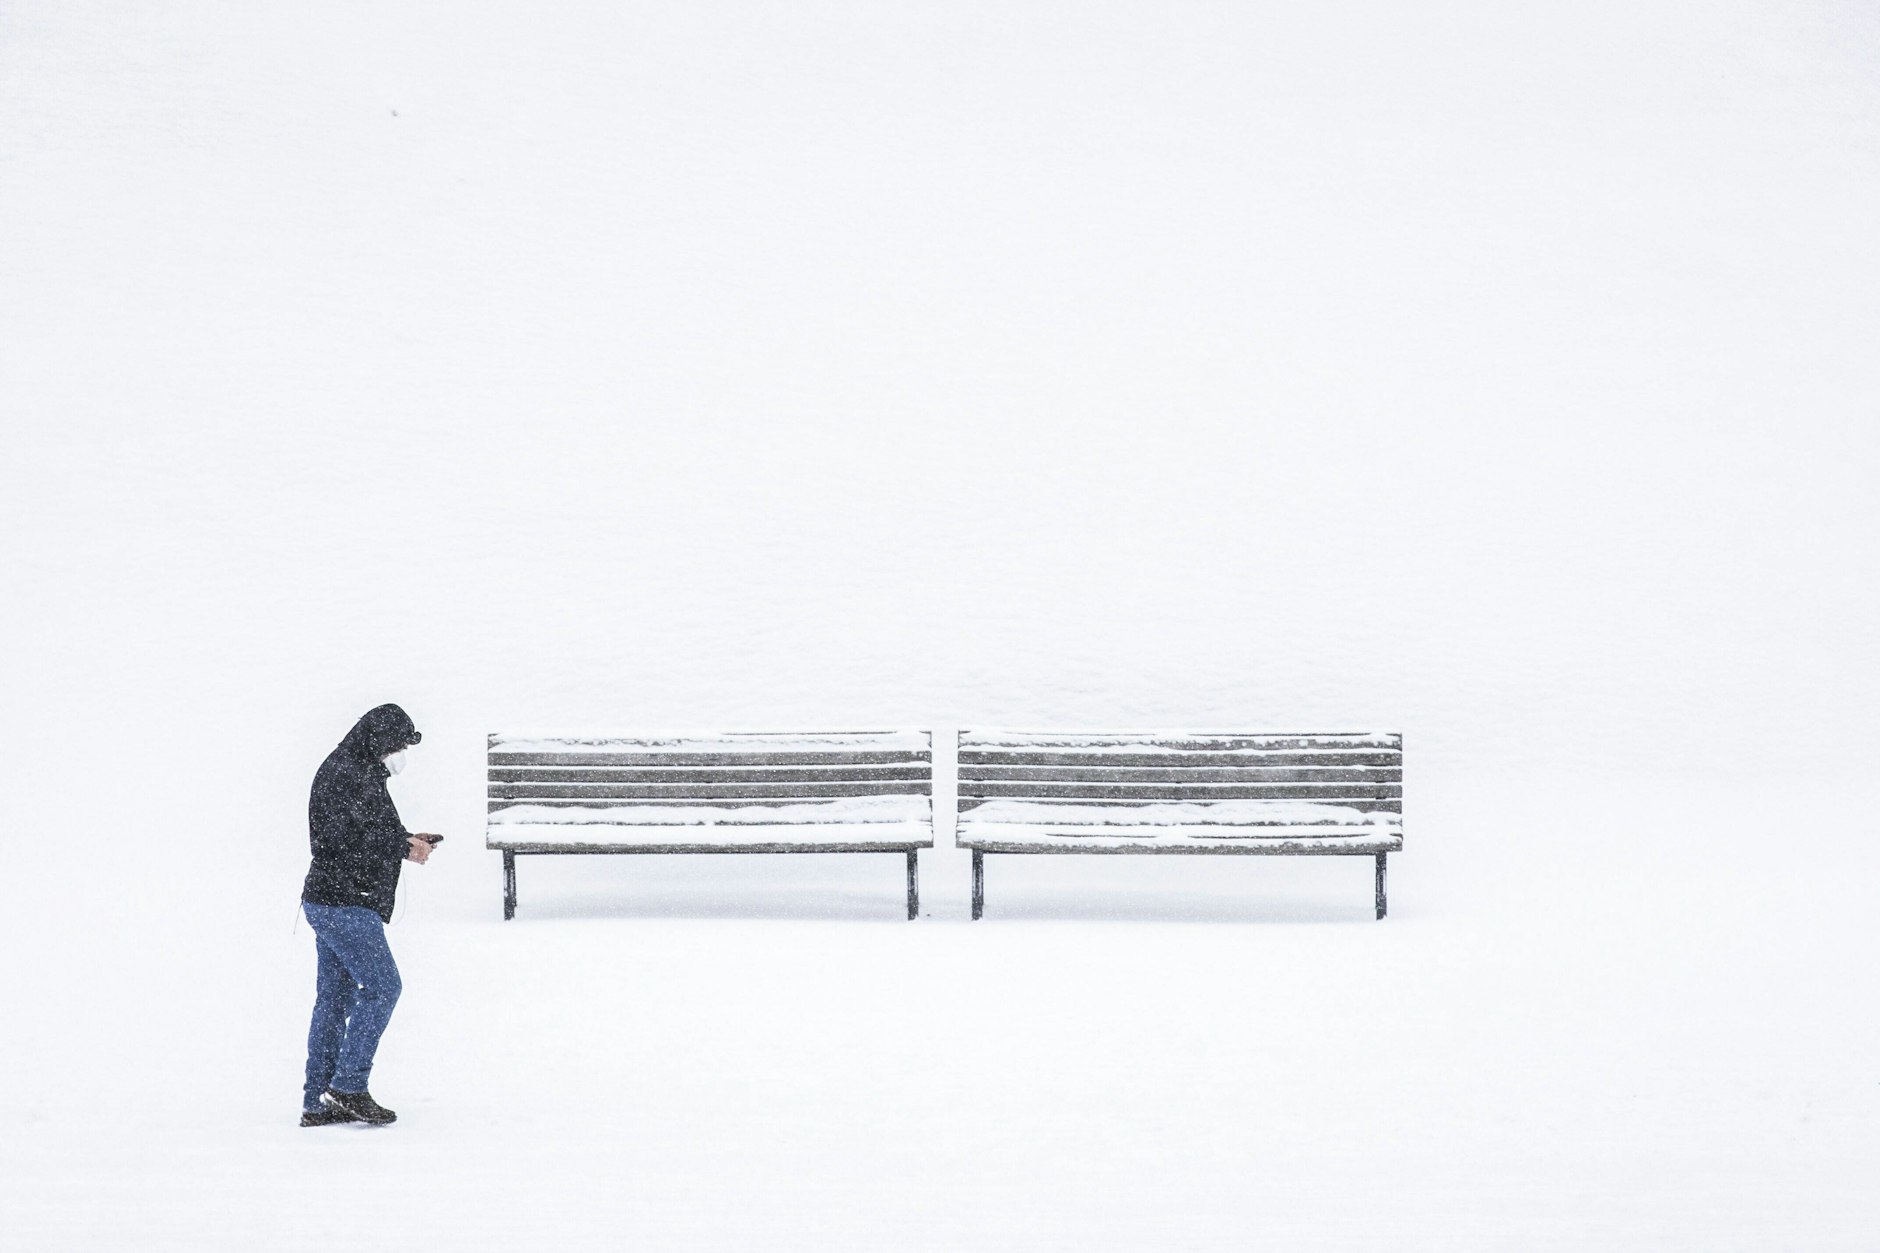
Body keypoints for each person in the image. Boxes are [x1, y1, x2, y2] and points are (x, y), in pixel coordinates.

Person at [298, 703, 441, 1127]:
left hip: (333, 899)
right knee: (382, 987)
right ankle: (348, 1087)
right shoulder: (348, 774)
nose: (400, 755)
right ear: (377, 741)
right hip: (344, 902)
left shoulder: (355, 770)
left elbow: (366, 828)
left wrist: (405, 838)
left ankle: (318, 1100)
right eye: (397, 745)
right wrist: (401, 847)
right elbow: (344, 840)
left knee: (335, 999)